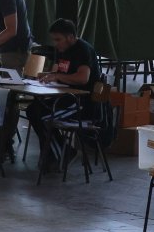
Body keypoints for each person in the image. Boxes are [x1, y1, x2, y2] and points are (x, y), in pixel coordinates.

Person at [27, 19, 100, 171]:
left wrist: (57, 77)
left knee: (41, 115)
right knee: (32, 109)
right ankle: (61, 150)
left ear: (71, 37)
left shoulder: (82, 49)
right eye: (54, 40)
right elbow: (59, 73)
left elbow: (82, 78)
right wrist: (47, 75)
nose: (56, 43)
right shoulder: (61, 50)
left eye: (58, 39)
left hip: (81, 102)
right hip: (64, 97)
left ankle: (58, 152)